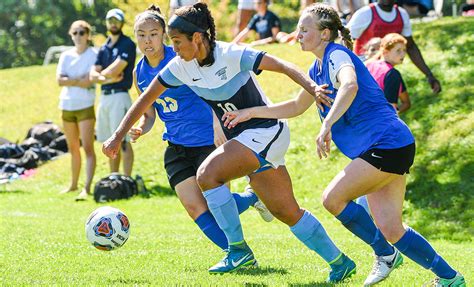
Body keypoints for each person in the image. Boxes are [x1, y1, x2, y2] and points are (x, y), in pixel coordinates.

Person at [103, 2, 355, 282]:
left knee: (208, 175)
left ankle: (237, 249)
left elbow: (282, 65)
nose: (172, 48)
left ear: (197, 38)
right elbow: (145, 99)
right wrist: (116, 135)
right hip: (248, 139)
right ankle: (340, 262)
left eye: (176, 41)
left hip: (266, 130)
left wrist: (312, 87)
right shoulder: (180, 67)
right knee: (286, 211)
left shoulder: (231, 54)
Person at [222, 4, 465, 287]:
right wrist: (250, 112)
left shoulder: (336, 54)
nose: (297, 35)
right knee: (391, 227)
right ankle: (450, 278)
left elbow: (350, 85)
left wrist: (326, 125)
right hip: (392, 144)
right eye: (298, 30)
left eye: (304, 30)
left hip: (386, 144)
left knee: (333, 199)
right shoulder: (317, 67)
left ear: (324, 34)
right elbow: (297, 106)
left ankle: (386, 255)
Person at [131, 4, 273, 251]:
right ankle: (238, 254)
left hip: (208, 140)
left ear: (164, 34)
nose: (147, 40)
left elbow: (211, 92)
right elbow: (150, 114)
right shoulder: (139, 72)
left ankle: (252, 198)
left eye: (153, 33)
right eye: (141, 35)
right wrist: (142, 128)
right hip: (176, 144)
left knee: (218, 206)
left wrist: (218, 124)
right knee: (195, 207)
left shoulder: (181, 58)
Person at [347, 0, 442, 93]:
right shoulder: (365, 13)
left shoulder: (402, 14)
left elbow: (411, 47)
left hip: (385, 72)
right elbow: (345, 41)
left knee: (394, 103)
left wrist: (429, 75)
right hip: (363, 71)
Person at [90, 8, 136, 177]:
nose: (113, 24)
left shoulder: (128, 44)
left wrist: (102, 76)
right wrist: (107, 78)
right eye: (110, 20)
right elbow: (92, 75)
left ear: (122, 23)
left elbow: (118, 68)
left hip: (120, 95)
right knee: (110, 141)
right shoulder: (103, 48)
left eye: (116, 20)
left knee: (122, 141)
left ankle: (127, 179)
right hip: (105, 97)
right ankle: (114, 178)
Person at [56, 20, 97, 200]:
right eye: (75, 33)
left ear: (88, 35)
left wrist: (71, 80)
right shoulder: (65, 55)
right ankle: (73, 185)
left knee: (88, 148)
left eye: (82, 32)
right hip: (66, 106)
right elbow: (59, 80)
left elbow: (90, 80)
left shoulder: (94, 54)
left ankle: (86, 188)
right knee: (73, 148)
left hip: (85, 106)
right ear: (71, 35)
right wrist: (78, 80)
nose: (78, 36)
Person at [366, 33, 411, 113]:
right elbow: (389, 111)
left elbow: (406, 103)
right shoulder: (392, 74)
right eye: (398, 50)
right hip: (377, 122)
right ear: (385, 52)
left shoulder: (368, 65)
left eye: (404, 50)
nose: (403, 54)